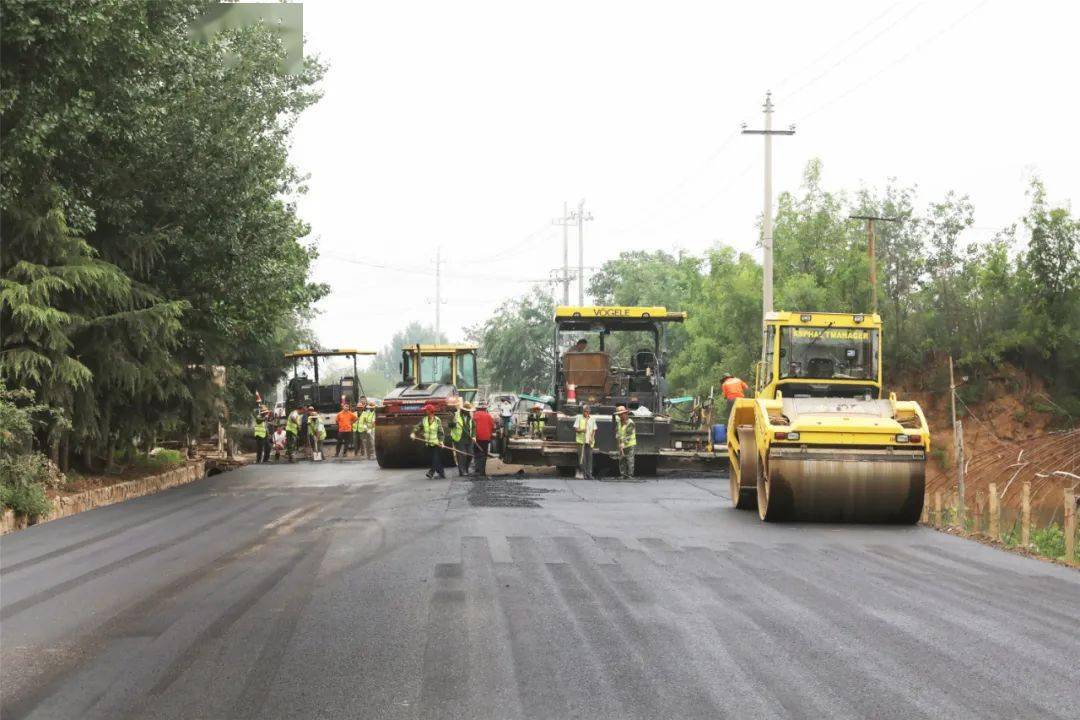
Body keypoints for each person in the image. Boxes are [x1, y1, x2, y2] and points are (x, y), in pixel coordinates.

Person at [414, 404, 445, 479]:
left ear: (430, 411)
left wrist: (441, 441)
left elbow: (441, 432)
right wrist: (413, 432)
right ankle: (442, 474)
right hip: (428, 443)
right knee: (434, 459)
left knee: (435, 459)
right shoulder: (424, 420)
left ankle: (431, 472)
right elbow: (417, 426)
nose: (424, 411)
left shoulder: (437, 420)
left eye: (426, 410)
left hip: (436, 443)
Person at [574, 405, 598, 479]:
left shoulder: (592, 419)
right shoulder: (579, 418)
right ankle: (584, 473)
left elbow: (594, 429)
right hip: (581, 442)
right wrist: (582, 430)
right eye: (585, 411)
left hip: (589, 441)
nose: (586, 413)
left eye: (588, 412)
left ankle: (589, 474)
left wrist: (591, 437)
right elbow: (576, 429)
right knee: (582, 458)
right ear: (583, 411)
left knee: (589, 458)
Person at [472, 401, 495, 477]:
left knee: (477, 453)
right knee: (484, 454)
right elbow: (493, 426)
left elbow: (472, 426)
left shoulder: (475, 415)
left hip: (477, 437)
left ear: (477, 408)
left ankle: (477, 469)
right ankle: (483, 470)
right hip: (486, 438)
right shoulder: (489, 416)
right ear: (485, 408)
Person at [615, 405, 637, 480]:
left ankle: (630, 475)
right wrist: (618, 439)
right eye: (619, 414)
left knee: (629, 460)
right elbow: (618, 431)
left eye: (621, 414)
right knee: (621, 459)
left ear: (625, 414)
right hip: (621, 444)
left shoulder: (630, 423)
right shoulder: (618, 422)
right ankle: (623, 474)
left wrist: (623, 443)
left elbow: (628, 434)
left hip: (629, 444)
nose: (620, 416)